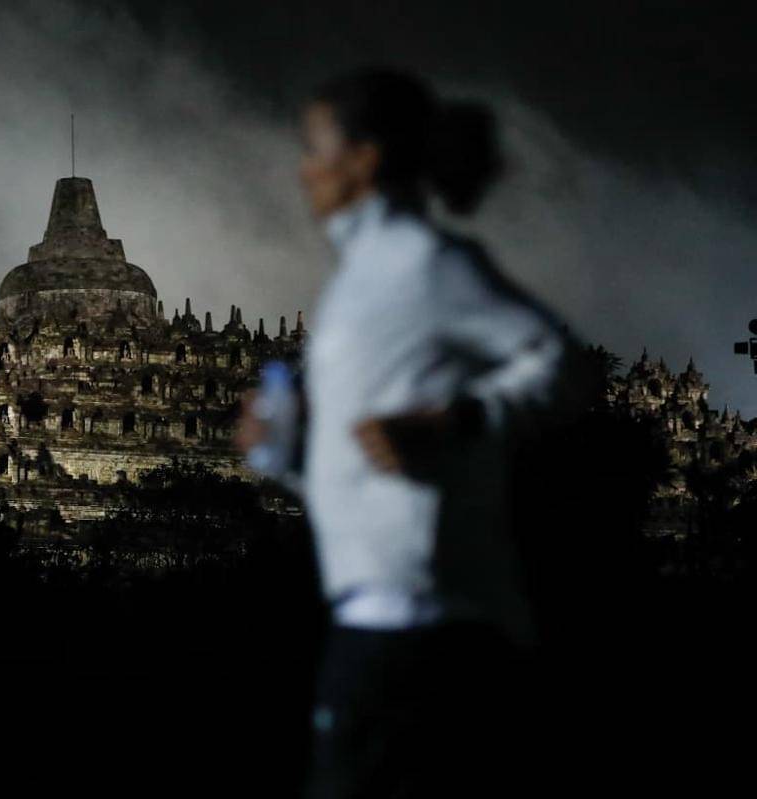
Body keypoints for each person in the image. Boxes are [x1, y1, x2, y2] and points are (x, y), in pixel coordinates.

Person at [234, 67, 595, 798]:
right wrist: (287, 455)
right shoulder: (350, 284)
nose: (303, 169)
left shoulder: (428, 263)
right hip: (374, 616)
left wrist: (465, 417)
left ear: (363, 158)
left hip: (430, 627)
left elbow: (567, 366)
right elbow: (369, 458)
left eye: (314, 148)